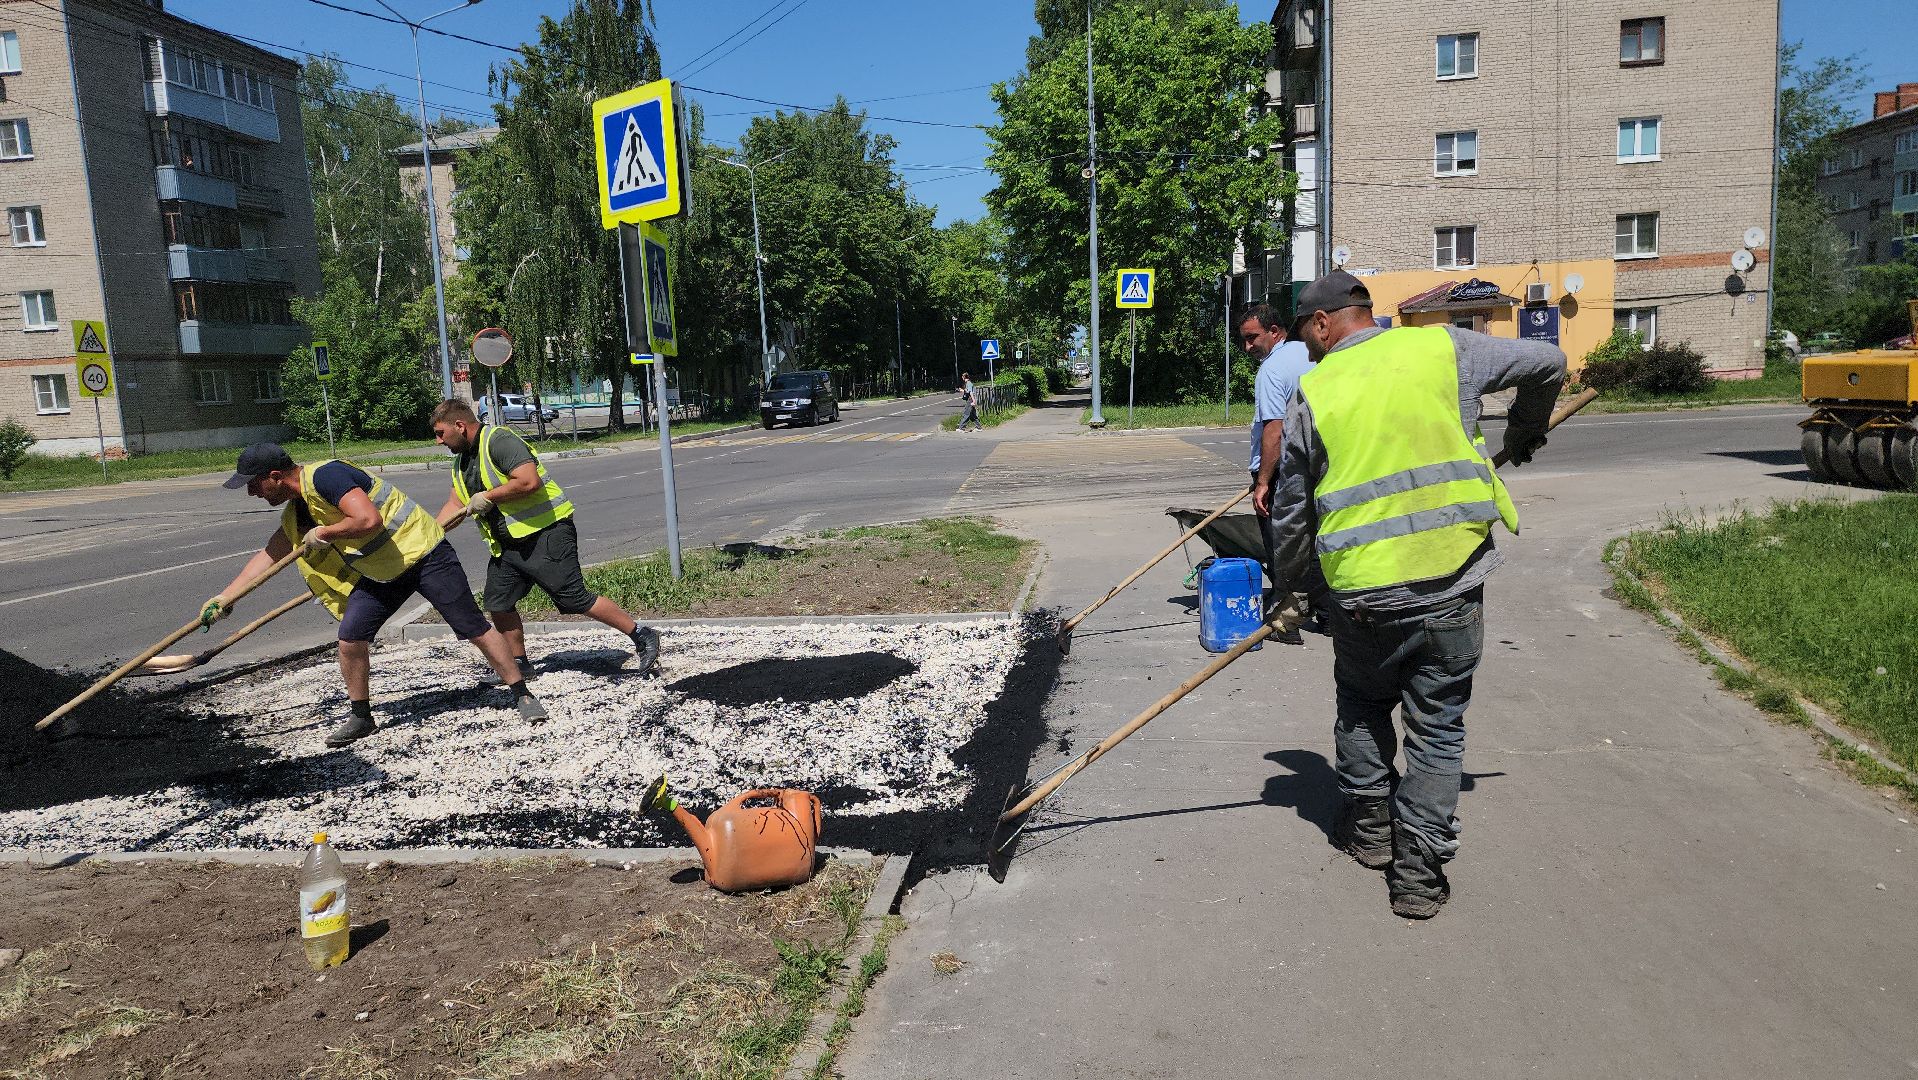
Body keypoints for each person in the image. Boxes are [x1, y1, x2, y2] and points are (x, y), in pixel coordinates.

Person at [1268, 271, 1566, 919]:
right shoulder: (1444, 348)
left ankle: (1373, 833)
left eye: (1306, 335)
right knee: (1437, 731)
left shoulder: (1314, 394)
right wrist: (1524, 431)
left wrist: (1290, 589)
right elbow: (1549, 361)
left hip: (1363, 595)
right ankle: (1419, 874)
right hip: (1451, 583)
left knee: (1362, 705)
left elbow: (1293, 514)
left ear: (1324, 324)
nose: (1308, 350)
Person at [203, 443, 549, 748]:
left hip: (424, 555)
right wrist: (226, 597)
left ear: (275, 476)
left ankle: (521, 692)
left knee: (472, 626)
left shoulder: (328, 476)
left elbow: (369, 520)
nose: (252, 493)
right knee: (351, 638)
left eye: (253, 484)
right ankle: (362, 717)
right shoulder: (297, 509)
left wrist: (327, 532)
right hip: (383, 573)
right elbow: (271, 554)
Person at [429, 399, 661, 679]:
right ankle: (519, 664)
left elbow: (528, 481)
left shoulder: (498, 441)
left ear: (460, 425)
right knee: (498, 602)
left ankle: (642, 635)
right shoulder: (461, 462)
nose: (438, 441)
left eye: (441, 433)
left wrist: (488, 496)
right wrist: (428, 534)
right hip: (509, 544)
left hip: (546, 533)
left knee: (573, 598)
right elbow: (455, 505)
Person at [1238, 302, 1318, 640]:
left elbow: (1274, 429)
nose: (1248, 347)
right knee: (1316, 543)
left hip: (1282, 471)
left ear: (1274, 331)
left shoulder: (1271, 371)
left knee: (1281, 547)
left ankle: (1287, 623)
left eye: (1253, 338)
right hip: (1316, 463)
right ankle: (1327, 613)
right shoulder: (1310, 354)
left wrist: (1263, 481)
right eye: (1243, 340)